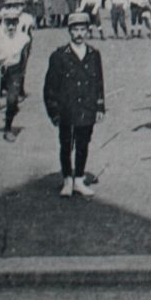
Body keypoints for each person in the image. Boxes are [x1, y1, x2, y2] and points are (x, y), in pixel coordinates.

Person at [43, 11, 106, 196]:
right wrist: (53, 112)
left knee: (83, 144)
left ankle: (79, 178)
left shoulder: (94, 54)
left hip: (87, 107)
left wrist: (100, 106)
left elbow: (99, 82)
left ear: (88, 31)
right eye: (75, 30)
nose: (79, 34)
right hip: (67, 109)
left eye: (83, 29)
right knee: (66, 144)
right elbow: (50, 86)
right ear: (69, 31)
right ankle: (67, 180)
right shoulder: (60, 55)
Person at [0, 4, 33, 142]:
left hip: (14, 71)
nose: (10, 27)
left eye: (13, 24)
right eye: (8, 23)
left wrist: (21, 75)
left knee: (12, 100)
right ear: (3, 23)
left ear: (17, 24)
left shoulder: (23, 38)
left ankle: (8, 128)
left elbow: (25, 56)